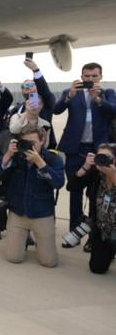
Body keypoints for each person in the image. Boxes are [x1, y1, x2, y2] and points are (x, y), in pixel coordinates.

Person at [53, 62, 116, 247]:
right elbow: (56, 110)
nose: (89, 80)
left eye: (94, 76)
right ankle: (75, 232)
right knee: (74, 191)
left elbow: (114, 111)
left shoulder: (108, 93)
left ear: (100, 77)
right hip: (75, 149)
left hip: (99, 149)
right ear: (81, 77)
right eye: (86, 76)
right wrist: (68, 96)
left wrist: (97, 99)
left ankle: (93, 236)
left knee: (95, 192)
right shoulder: (71, 92)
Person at [0, 125, 64, 267]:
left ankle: (41, 243)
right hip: (18, 212)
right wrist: (8, 155)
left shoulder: (52, 158)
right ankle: (22, 239)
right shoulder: (17, 158)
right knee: (13, 258)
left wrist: (39, 162)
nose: (30, 147)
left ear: (42, 140)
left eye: (33, 143)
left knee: (49, 262)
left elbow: (58, 182)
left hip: (42, 214)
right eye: (26, 143)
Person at [69, 143, 116, 273]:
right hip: (103, 230)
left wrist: (113, 176)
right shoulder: (96, 174)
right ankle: (109, 251)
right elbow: (72, 187)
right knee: (97, 268)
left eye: (106, 157)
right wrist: (85, 167)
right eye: (99, 156)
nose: (102, 160)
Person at [6, 58, 57, 147]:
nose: (28, 87)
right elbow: (12, 130)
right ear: (22, 91)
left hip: (43, 147)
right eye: (25, 86)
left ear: (37, 87)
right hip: (21, 147)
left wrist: (36, 70)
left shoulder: (46, 103)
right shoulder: (17, 109)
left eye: (31, 85)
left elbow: (45, 91)